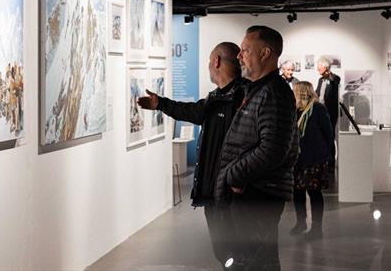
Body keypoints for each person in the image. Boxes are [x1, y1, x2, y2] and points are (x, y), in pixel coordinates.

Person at [138, 42, 247, 270]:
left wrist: (240, 177)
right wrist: (161, 104)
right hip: (214, 190)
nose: (208, 66)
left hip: (233, 191)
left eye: (209, 61)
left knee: (238, 253)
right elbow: (195, 113)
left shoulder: (243, 96)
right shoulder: (219, 96)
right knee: (224, 252)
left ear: (216, 61)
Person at [214, 26, 299, 271]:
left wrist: (234, 174)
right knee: (251, 260)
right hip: (251, 193)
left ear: (265, 54)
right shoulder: (259, 89)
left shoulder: (273, 93)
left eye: (245, 50)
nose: (239, 56)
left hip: (257, 195)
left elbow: (272, 150)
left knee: (255, 262)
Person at [291, 81, 333, 239]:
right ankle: (300, 222)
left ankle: (317, 228)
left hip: (314, 158)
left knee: (314, 193)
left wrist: (325, 156)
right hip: (298, 159)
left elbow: (329, 134)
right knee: (297, 192)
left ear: (301, 92)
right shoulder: (296, 110)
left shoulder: (318, 109)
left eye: (295, 91)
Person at [316, 56, 340, 167]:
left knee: (330, 136)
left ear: (326, 68)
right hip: (320, 112)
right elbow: (317, 93)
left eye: (319, 67)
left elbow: (334, 81)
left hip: (331, 113)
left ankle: (331, 163)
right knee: (321, 136)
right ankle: (322, 161)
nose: (317, 69)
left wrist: (328, 73)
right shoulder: (320, 80)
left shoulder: (335, 78)